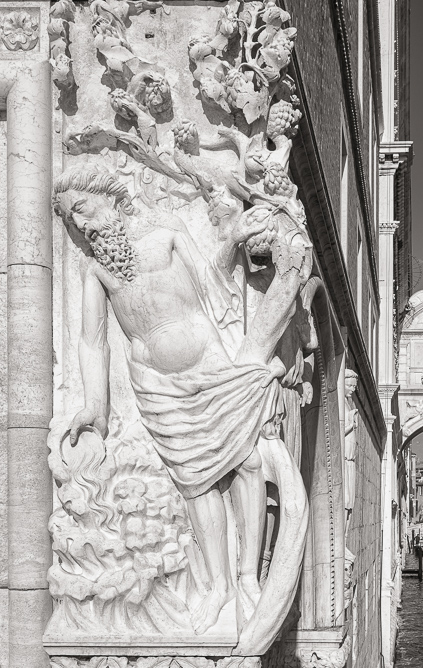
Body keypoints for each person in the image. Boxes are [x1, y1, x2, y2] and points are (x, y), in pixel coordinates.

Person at [53, 167, 309, 635]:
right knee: (195, 483)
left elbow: (214, 279)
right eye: (73, 222)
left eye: (82, 210)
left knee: (247, 464)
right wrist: (95, 404)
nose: (82, 225)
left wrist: (233, 238)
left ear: (107, 194)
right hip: (156, 387)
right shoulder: (97, 269)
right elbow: (93, 341)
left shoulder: (166, 230)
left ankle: (248, 579)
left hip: (210, 367)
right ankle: (217, 588)